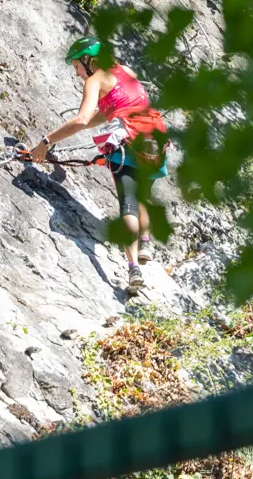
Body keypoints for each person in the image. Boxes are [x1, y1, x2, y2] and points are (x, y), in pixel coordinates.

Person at [29, 36, 169, 292]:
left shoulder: (94, 81)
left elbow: (82, 119)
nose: (77, 74)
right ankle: (146, 242)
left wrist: (46, 141)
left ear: (87, 59)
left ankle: (133, 268)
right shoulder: (125, 71)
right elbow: (104, 113)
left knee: (127, 203)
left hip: (127, 143)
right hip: (154, 140)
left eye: (77, 67)